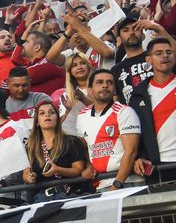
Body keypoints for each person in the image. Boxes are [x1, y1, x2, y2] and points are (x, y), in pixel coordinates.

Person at [0, 100, 91, 200]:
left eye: (51, 112)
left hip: (69, 196)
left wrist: (58, 170)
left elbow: (78, 169)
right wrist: (29, 178)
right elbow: (25, 173)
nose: (47, 115)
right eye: (42, 113)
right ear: (37, 122)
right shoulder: (30, 146)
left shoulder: (71, 141)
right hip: (41, 199)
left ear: (57, 119)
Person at [69, 69, 141, 190]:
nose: (105, 85)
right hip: (101, 184)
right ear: (90, 90)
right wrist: (88, 165)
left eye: (109, 82)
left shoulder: (125, 112)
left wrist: (117, 184)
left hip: (128, 182)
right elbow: (86, 148)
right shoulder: (82, 115)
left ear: (114, 89)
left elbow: (131, 152)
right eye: (99, 82)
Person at [128, 38, 176, 183]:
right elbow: (136, 133)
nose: (165, 56)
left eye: (169, 52)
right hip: (157, 166)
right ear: (148, 59)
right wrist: (138, 157)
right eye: (159, 53)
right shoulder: (138, 95)